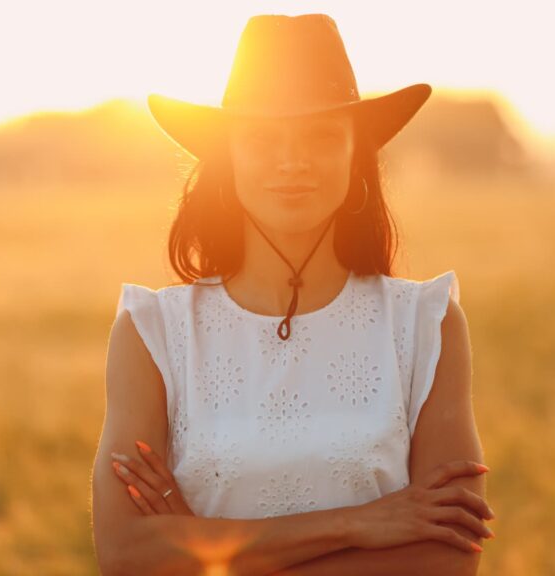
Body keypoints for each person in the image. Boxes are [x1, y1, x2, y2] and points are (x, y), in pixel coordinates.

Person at [92, 13, 494, 575]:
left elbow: (448, 558)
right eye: (261, 138)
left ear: (357, 154)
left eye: (322, 136)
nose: (292, 162)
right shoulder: (153, 331)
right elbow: (126, 555)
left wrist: (208, 547)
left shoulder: (425, 324)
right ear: (227, 159)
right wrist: (361, 523)